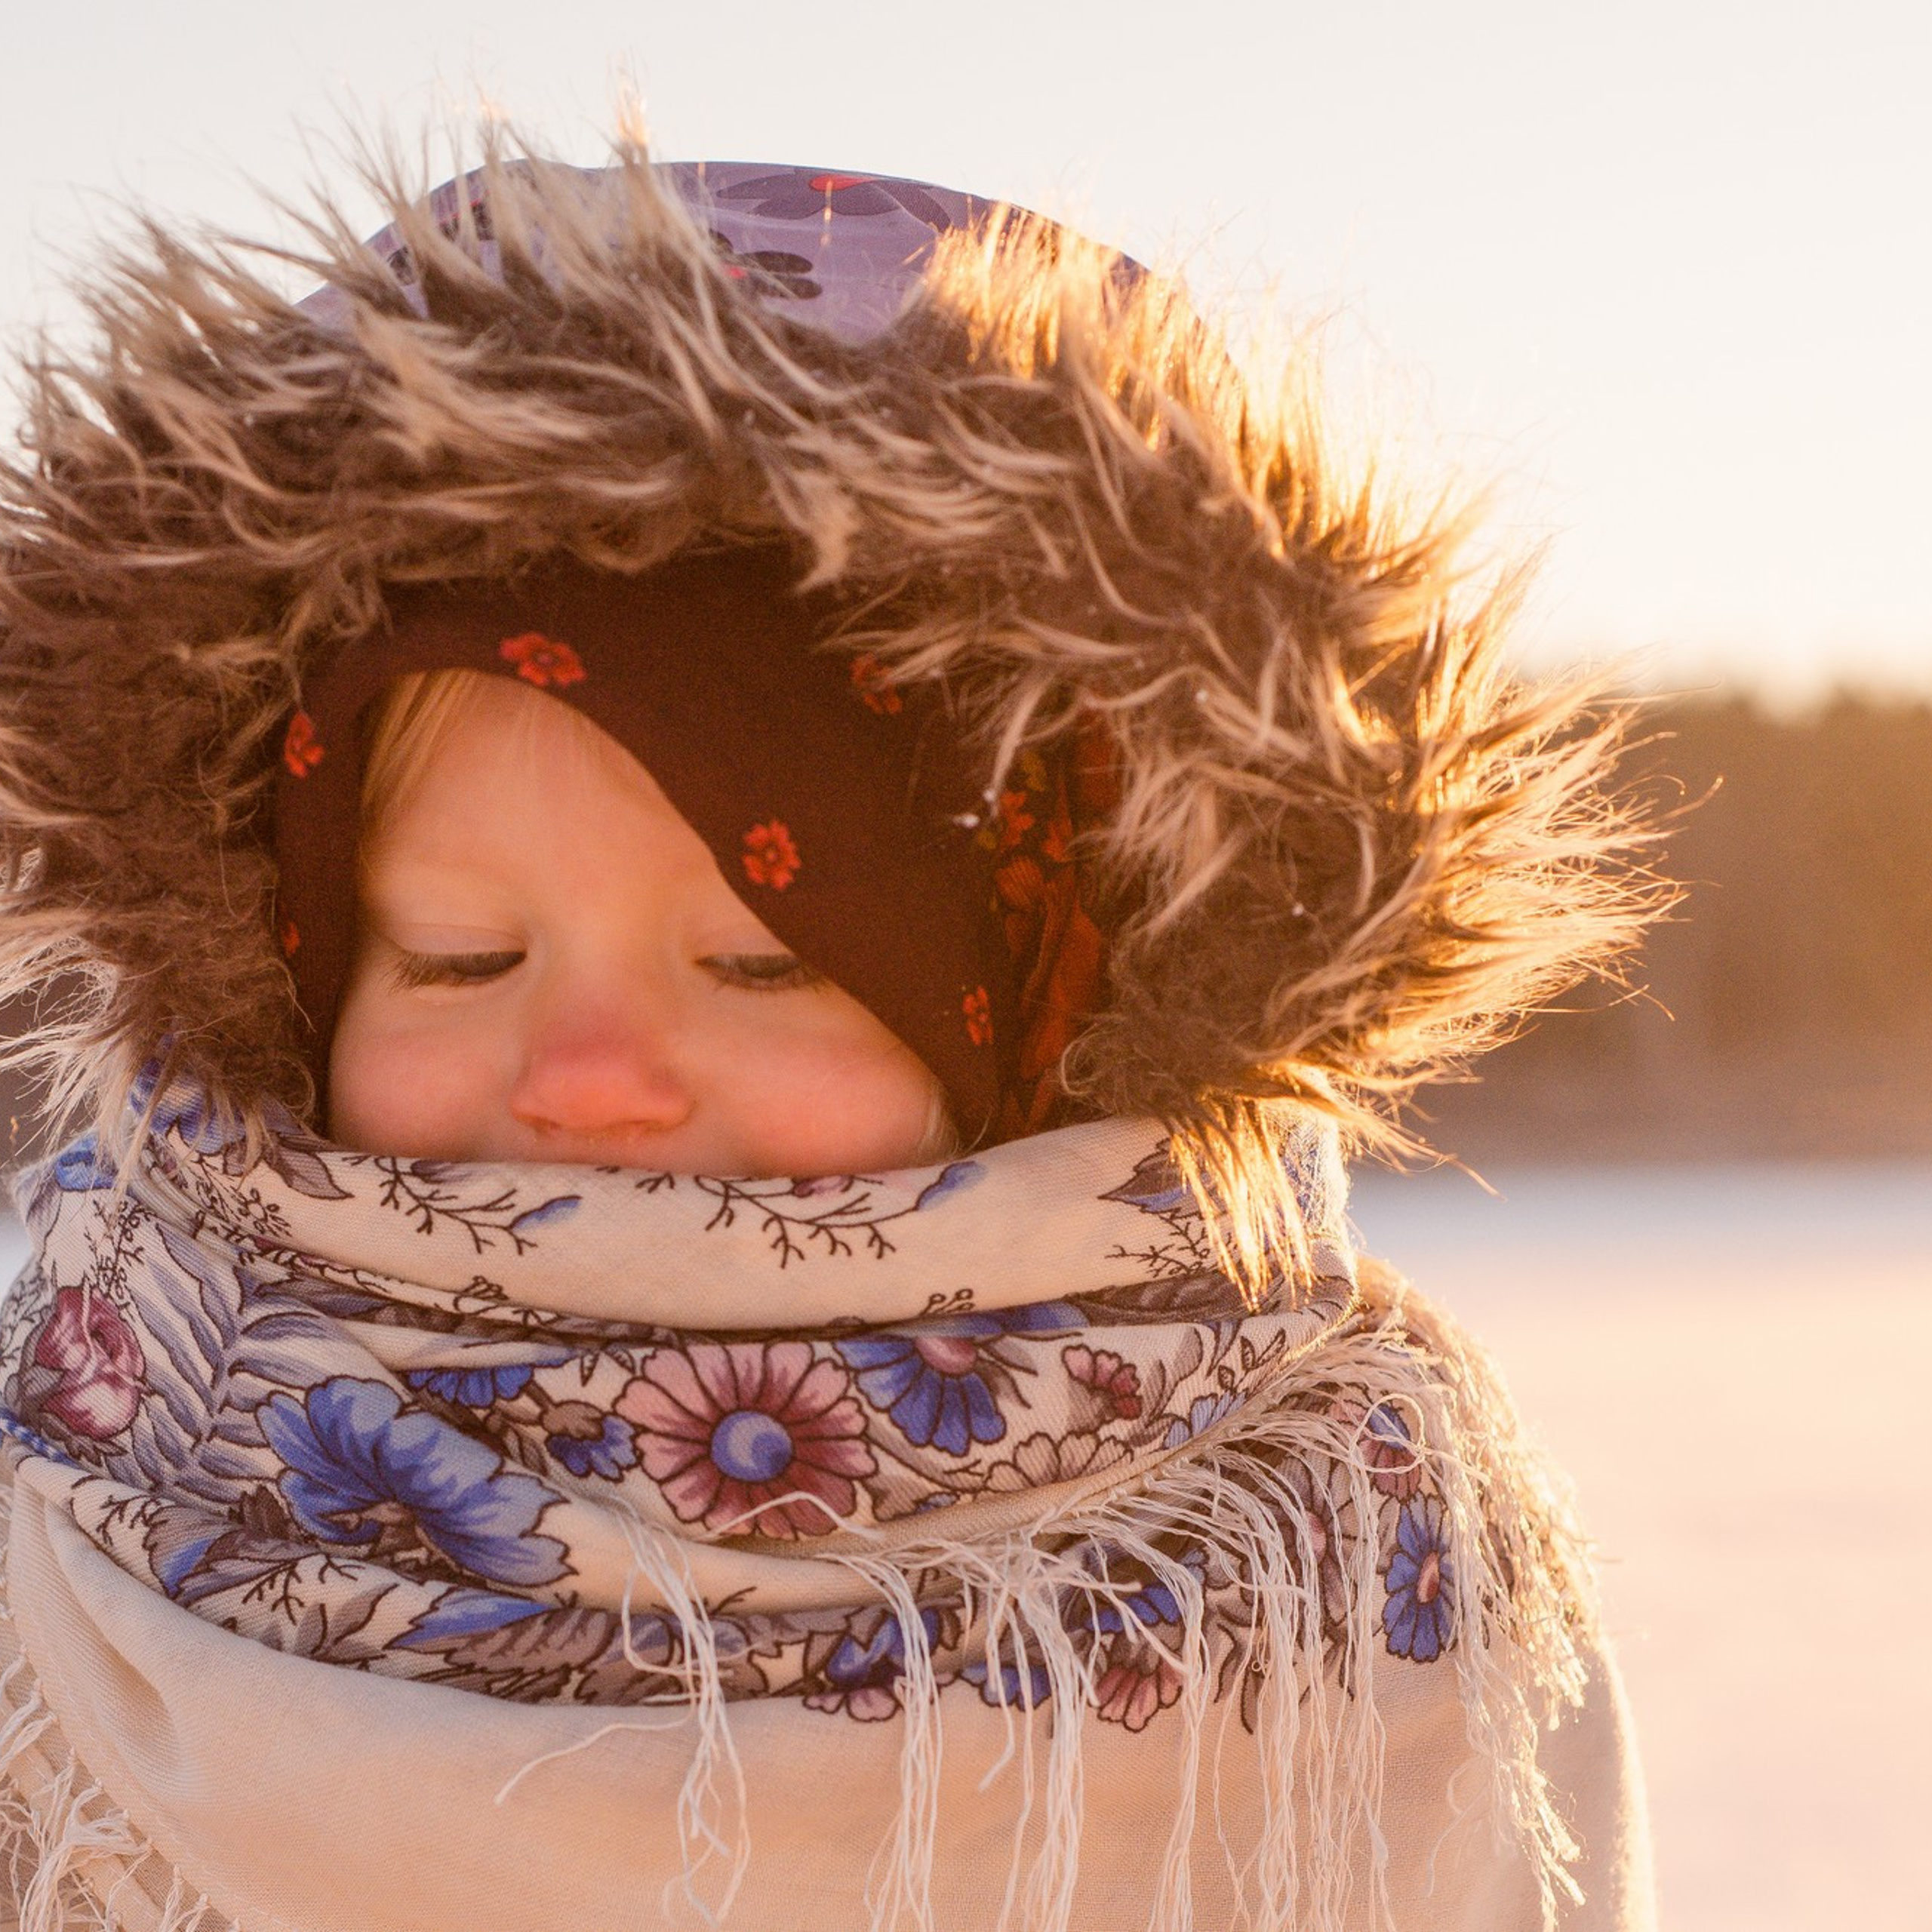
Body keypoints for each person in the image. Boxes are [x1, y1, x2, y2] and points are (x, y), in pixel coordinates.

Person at [0, 131, 1659, 1930]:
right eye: (462, 955)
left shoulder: (1334, 1542)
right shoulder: (86, 1476)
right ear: (290, 975)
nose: (584, 1076)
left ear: (1037, 1013)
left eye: (766, 960)